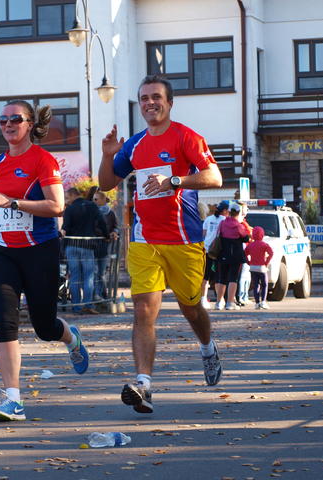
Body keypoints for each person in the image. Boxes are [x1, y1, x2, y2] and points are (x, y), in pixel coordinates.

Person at [99, 74, 224, 414]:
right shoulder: (134, 144)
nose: (150, 103)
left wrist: (174, 180)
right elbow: (107, 183)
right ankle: (144, 385)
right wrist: (108, 156)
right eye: (144, 98)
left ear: (169, 102)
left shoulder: (186, 137)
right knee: (143, 309)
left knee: (191, 307)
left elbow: (214, 176)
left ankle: (207, 347)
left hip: (183, 240)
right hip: (145, 239)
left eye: (156, 97)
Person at [0, 99, 89, 422]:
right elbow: (2, 207)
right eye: (2, 120)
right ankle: (13, 399)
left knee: (44, 326)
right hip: (3, 250)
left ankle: (70, 337)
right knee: (4, 322)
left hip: (39, 250)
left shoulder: (43, 160)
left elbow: (56, 206)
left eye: (15, 119)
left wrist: (13, 203)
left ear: (30, 124)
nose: (8, 125)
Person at [61, 187, 108, 314]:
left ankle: (76, 306)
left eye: (67, 197)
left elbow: (65, 227)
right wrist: (106, 236)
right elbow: (102, 222)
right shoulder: (92, 206)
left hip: (72, 245)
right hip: (87, 245)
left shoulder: (70, 209)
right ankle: (88, 305)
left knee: (75, 276)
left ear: (73, 195)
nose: (67, 200)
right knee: (88, 276)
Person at [214, 203, 250, 310]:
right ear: (238, 213)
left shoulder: (222, 223)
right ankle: (230, 303)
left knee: (222, 278)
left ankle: (218, 302)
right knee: (233, 279)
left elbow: (218, 234)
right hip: (236, 256)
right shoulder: (238, 226)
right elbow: (246, 238)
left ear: (229, 212)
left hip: (223, 254)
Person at [201, 200, 229, 309]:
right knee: (219, 276)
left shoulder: (208, 219)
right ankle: (219, 301)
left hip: (207, 250)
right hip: (219, 251)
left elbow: (203, 234)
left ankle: (203, 299)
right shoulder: (225, 220)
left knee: (205, 276)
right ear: (225, 211)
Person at [92, 189, 119, 300]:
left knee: (101, 272)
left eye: (96, 199)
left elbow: (116, 227)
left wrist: (114, 232)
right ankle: (97, 295)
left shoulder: (111, 213)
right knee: (94, 272)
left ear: (103, 199)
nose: (94, 201)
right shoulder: (92, 212)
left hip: (105, 245)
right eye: (93, 199)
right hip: (92, 244)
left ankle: (102, 294)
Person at [244, 226, 274, 309]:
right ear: (262, 235)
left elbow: (244, 254)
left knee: (256, 285)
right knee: (264, 284)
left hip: (252, 267)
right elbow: (271, 253)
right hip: (262, 267)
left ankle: (257, 303)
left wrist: (248, 262)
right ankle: (263, 301)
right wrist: (266, 262)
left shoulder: (250, 245)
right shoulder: (264, 244)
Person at [236, 202, 253, 306]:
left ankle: (244, 296)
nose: (247, 211)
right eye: (246, 209)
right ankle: (241, 296)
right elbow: (247, 236)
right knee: (242, 276)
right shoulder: (240, 223)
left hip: (247, 252)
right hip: (242, 252)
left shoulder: (243, 222)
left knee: (246, 276)